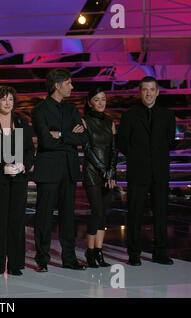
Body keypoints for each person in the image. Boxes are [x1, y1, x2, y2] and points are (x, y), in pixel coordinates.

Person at [31, 68, 88, 272]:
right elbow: (45, 141)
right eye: (69, 83)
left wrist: (60, 135)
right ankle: (43, 259)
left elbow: (83, 138)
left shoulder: (72, 110)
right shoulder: (39, 110)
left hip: (69, 169)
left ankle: (70, 258)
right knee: (44, 215)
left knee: (68, 217)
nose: (72, 87)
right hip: (48, 170)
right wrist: (68, 136)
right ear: (58, 85)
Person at [117, 76, 176, 266]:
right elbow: (122, 143)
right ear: (140, 92)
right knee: (134, 213)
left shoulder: (167, 115)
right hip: (138, 171)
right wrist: (138, 157)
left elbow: (170, 141)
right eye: (145, 89)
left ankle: (160, 252)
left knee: (161, 213)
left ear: (158, 92)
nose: (148, 93)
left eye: (152, 89)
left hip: (159, 172)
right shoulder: (129, 115)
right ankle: (134, 253)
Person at [0, 86, 34, 276]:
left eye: (10, 99)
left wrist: (22, 165)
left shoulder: (21, 121)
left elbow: (29, 149)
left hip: (19, 179)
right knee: (0, 222)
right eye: (4, 99)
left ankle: (15, 264)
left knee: (17, 221)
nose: (7, 103)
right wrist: (3, 166)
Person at [81, 87, 117, 268]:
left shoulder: (110, 123)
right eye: (97, 99)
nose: (101, 102)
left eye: (103, 99)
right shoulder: (85, 121)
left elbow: (113, 150)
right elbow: (87, 149)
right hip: (92, 172)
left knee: (104, 213)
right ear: (90, 103)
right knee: (97, 211)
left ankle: (99, 251)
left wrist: (111, 171)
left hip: (107, 174)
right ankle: (90, 250)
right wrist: (103, 169)